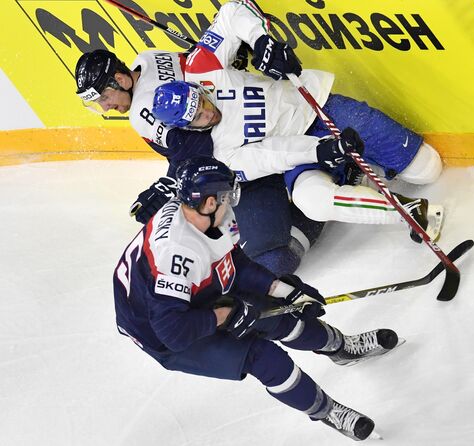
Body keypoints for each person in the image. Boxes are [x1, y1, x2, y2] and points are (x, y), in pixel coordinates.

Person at [113, 156, 401, 441]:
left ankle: (341, 348)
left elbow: (234, 263)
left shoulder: (206, 216)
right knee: (264, 358)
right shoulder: (177, 253)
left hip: (191, 294)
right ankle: (325, 411)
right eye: (228, 195)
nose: (233, 201)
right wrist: (226, 315)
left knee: (285, 314)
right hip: (160, 332)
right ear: (210, 202)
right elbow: (173, 332)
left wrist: (283, 291)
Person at [151, 0, 444, 242]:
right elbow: (271, 155)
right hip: (301, 151)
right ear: (187, 127)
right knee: (313, 201)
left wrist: (261, 41)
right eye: (199, 117)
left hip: (315, 105)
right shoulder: (220, 153)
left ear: (198, 90)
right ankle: (407, 211)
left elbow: (232, 11)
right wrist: (320, 150)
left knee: (428, 168)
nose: (208, 112)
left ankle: (359, 166)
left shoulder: (201, 68)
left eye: (202, 101)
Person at [74, 48, 325, 276]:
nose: (106, 108)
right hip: (264, 113)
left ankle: (315, 209)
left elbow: (200, 147)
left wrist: (167, 185)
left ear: (120, 80)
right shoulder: (150, 58)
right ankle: (317, 185)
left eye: (104, 99)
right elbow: (198, 58)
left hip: (245, 156)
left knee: (268, 261)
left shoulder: (142, 111)